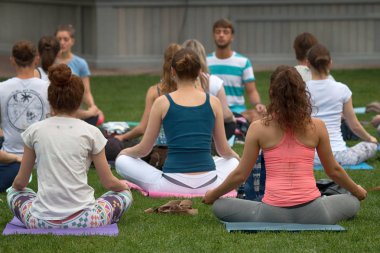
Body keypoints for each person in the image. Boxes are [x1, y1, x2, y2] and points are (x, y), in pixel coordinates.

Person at [203, 66, 366, 225]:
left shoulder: (258, 128)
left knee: (220, 205)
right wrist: (357, 191)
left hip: (270, 214)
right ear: (303, 93)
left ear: (272, 93)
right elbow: (333, 170)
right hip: (315, 213)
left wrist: (213, 195)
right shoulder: (318, 126)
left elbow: (240, 175)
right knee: (352, 200)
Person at [7, 64, 132, 229]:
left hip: (39, 220)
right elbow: (109, 183)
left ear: (50, 99)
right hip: (86, 219)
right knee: (123, 193)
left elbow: (21, 182)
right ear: (79, 100)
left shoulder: (34, 131)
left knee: (14, 192)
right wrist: (124, 186)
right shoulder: (91, 132)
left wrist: (16, 190)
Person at [115, 48, 239, 195]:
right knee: (232, 162)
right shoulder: (214, 102)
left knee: (122, 161)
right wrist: (239, 160)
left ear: (173, 71)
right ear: (200, 71)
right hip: (210, 183)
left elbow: (144, 149)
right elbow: (223, 151)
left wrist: (124, 153)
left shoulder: (162, 102)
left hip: (171, 184)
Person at [306, 44, 377, 165]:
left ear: (308, 63)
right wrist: (370, 139)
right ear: (330, 63)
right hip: (339, 156)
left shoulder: (302, 89)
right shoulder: (342, 89)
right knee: (371, 146)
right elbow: (354, 125)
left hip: (310, 156)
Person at [0, 40, 50, 192]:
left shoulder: (1, 89)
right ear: (36, 59)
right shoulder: (49, 88)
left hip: (9, 158)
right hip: (43, 157)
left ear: (12, 60)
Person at [114, 43, 181, 143]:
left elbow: (142, 128)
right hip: (188, 149)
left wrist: (122, 137)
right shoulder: (194, 90)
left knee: (122, 157)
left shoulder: (154, 92)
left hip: (159, 150)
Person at [207, 18, 265, 123]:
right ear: (213, 35)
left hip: (238, 112)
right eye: (218, 31)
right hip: (211, 111)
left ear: (232, 37)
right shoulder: (205, 62)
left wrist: (258, 105)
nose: (221, 35)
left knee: (258, 115)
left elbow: (251, 91)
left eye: (225, 32)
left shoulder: (243, 62)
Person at [182, 39, 236, 139]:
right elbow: (225, 115)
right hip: (207, 132)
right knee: (230, 122)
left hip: (179, 131)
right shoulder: (214, 82)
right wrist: (232, 118)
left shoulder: (173, 81)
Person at [55, 24, 103, 125]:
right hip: (54, 109)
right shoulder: (50, 62)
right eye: (59, 39)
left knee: (94, 116)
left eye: (65, 39)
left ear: (72, 41)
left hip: (74, 111)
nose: (62, 42)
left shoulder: (81, 63)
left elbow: (86, 92)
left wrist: (93, 107)